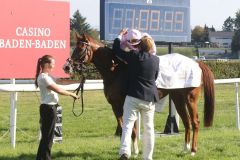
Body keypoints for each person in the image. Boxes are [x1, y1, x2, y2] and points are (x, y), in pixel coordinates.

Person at [113, 29, 159, 160]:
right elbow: (154, 77)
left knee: (127, 125)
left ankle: (124, 152)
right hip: (149, 98)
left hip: (133, 96)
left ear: (139, 46)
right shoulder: (156, 60)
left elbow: (117, 50)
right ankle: (147, 157)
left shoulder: (133, 56)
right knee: (149, 129)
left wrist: (120, 36)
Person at [35, 54, 79, 160]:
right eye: (53, 63)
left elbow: (61, 81)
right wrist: (72, 94)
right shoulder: (43, 78)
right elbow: (58, 89)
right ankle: (45, 158)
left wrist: (77, 81)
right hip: (48, 109)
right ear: (46, 64)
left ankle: (41, 157)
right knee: (48, 137)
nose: (54, 65)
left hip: (50, 108)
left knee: (47, 136)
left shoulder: (49, 76)